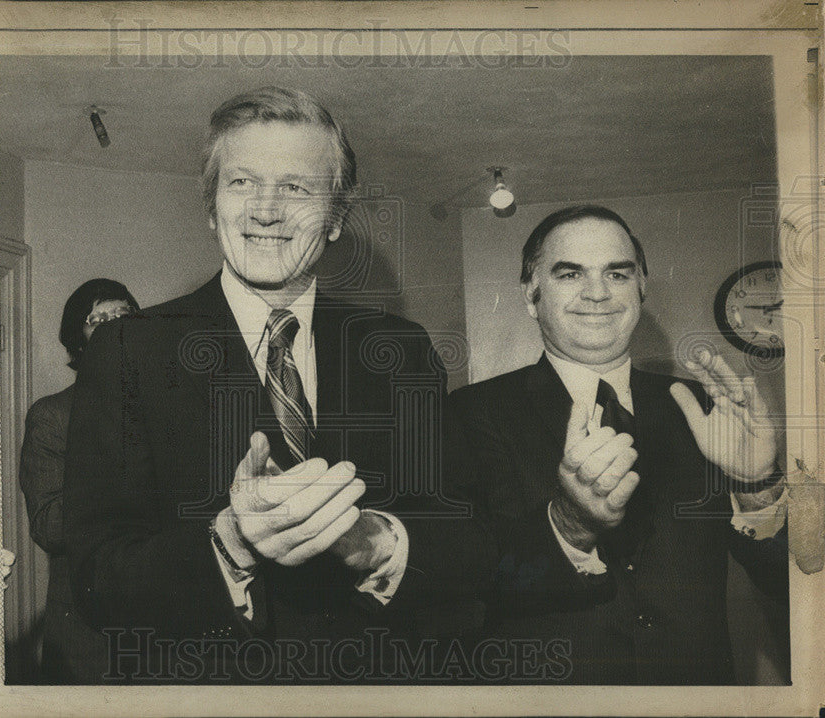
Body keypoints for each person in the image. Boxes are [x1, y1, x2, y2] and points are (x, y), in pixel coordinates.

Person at [63, 87, 476, 683]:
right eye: (241, 183)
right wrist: (228, 542)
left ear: (335, 218)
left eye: (297, 187)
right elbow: (98, 581)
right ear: (211, 209)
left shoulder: (402, 352)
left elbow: (470, 544)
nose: (266, 209)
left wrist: (374, 543)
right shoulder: (128, 351)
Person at [447, 204, 788, 684]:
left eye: (617, 273)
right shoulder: (466, 415)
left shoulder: (703, 407)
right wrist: (568, 527)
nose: (598, 293)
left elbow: (795, 587)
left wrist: (757, 486)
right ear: (531, 294)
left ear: (642, 287)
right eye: (570, 274)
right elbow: (458, 599)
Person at [19, 278, 139, 684]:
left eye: (122, 315)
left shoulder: (162, 410)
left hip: (160, 613)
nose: (111, 326)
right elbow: (49, 525)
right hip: (85, 624)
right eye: (95, 318)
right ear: (78, 337)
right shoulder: (51, 416)